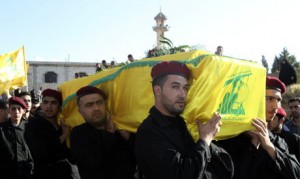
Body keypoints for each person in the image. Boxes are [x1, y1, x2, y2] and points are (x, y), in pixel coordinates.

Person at [135, 61, 234, 179]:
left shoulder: (186, 122)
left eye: (185, 88)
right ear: (158, 90)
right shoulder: (148, 132)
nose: (182, 94)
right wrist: (205, 140)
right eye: (175, 87)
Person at [218, 76, 300, 179]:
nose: (276, 106)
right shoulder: (230, 138)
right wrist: (253, 144)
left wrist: (270, 148)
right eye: (269, 99)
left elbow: (296, 173)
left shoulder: (279, 141)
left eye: (278, 100)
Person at [70, 86, 136, 179]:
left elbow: (141, 156)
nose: (96, 108)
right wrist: (109, 133)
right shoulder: (78, 133)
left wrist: (127, 137)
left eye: (99, 103)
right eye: (89, 105)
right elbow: (92, 161)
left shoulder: (120, 130)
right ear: (80, 111)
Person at [24, 89, 80, 179]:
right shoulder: (34, 125)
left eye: (54, 103)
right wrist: (63, 136)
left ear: (60, 107)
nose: (49, 106)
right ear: (41, 105)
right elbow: (41, 152)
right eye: (46, 102)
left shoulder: (63, 126)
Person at [0, 97, 34, 179]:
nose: (16, 112)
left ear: (24, 111)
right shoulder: (1, 129)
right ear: (9, 111)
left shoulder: (30, 128)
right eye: (13, 109)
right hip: (7, 173)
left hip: (27, 172)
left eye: (19, 109)